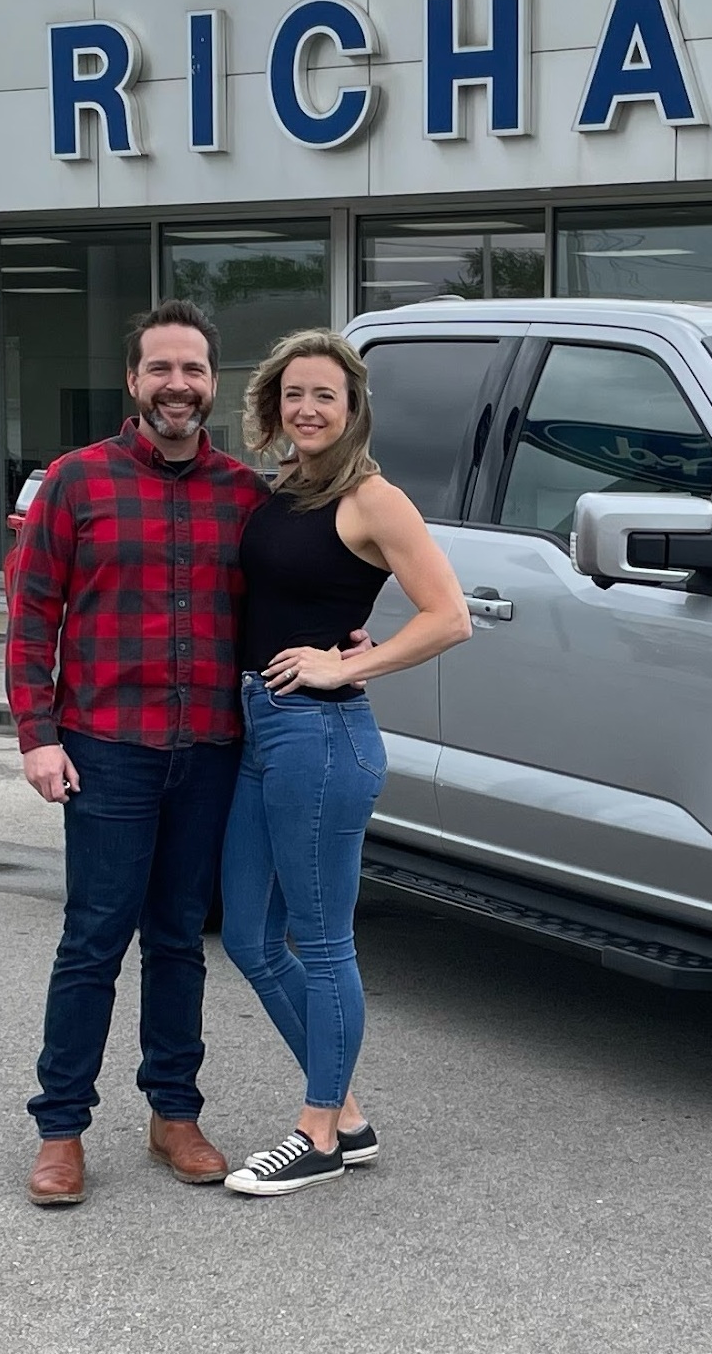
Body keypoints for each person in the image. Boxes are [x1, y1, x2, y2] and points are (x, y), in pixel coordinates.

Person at [10, 300, 268, 1208]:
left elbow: (289, 595)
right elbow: (32, 614)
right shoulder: (76, 482)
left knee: (180, 940)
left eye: (193, 369)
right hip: (107, 748)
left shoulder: (245, 493)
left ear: (213, 382)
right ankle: (61, 1128)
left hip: (210, 751)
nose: (177, 384)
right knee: (93, 939)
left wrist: (345, 633)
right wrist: (38, 736)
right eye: (161, 367)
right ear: (133, 380)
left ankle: (174, 1112)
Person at [217, 329, 470, 1197]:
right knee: (250, 937)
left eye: (325, 394)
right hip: (263, 727)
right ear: (273, 403)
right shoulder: (285, 489)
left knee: (322, 943)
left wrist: (347, 662)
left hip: (321, 737)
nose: (307, 408)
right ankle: (348, 1117)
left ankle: (318, 1131)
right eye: (293, 393)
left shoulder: (372, 498)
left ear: (354, 406)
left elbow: (449, 615)